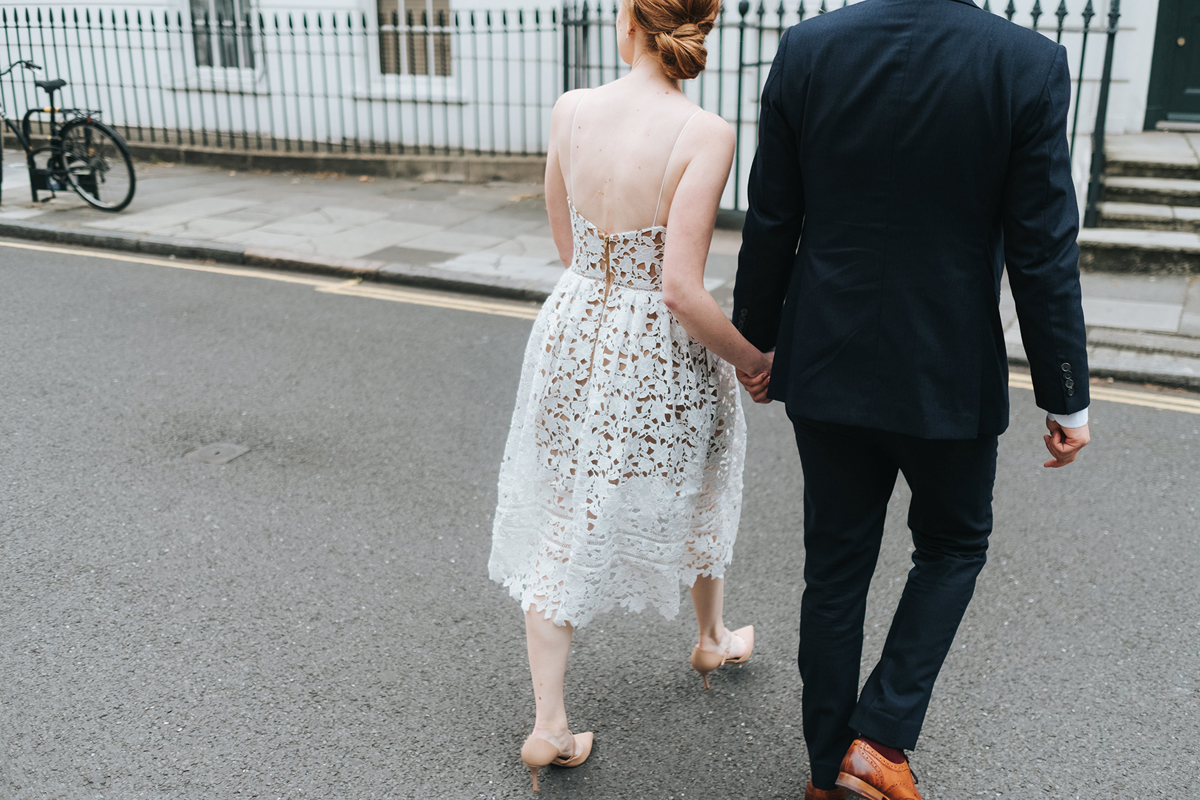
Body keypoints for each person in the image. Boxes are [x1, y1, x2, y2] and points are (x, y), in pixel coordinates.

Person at [732, 1, 1092, 798]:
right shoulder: (1024, 62)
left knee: (834, 570)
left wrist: (757, 339)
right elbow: (1042, 245)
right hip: (947, 370)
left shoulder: (809, 48)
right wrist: (1066, 394)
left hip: (827, 358)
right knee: (954, 545)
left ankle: (829, 771)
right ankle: (882, 741)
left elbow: (772, 214)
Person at [487, 0, 772, 790]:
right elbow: (680, 289)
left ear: (630, 21)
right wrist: (753, 358)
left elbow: (565, 238)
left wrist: (601, 291)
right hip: (657, 345)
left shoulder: (571, 110)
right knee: (707, 473)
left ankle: (550, 722)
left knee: (563, 504)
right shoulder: (704, 133)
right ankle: (710, 636)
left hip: (574, 324)